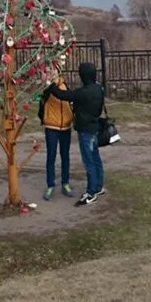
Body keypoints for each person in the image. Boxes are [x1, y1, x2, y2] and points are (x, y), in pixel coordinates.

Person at [45, 62, 106, 206]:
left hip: (86, 131)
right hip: (95, 128)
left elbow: (63, 95)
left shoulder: (83, 92)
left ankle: (91, 193)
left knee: (89, 161)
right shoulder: (98, 88)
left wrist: (50, 83)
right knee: (96, 159)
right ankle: (98, 187)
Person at [37, 76, 75, 200]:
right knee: (51, 156)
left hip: (65, 127)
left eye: (54, 71)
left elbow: (69, 99)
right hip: (51, 126)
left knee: (65, 156)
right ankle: (50, 184)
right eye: (49, 71)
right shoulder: (47, 89)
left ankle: (65, 183)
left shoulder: (65, 86)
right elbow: (42, 101)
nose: (52, 73)